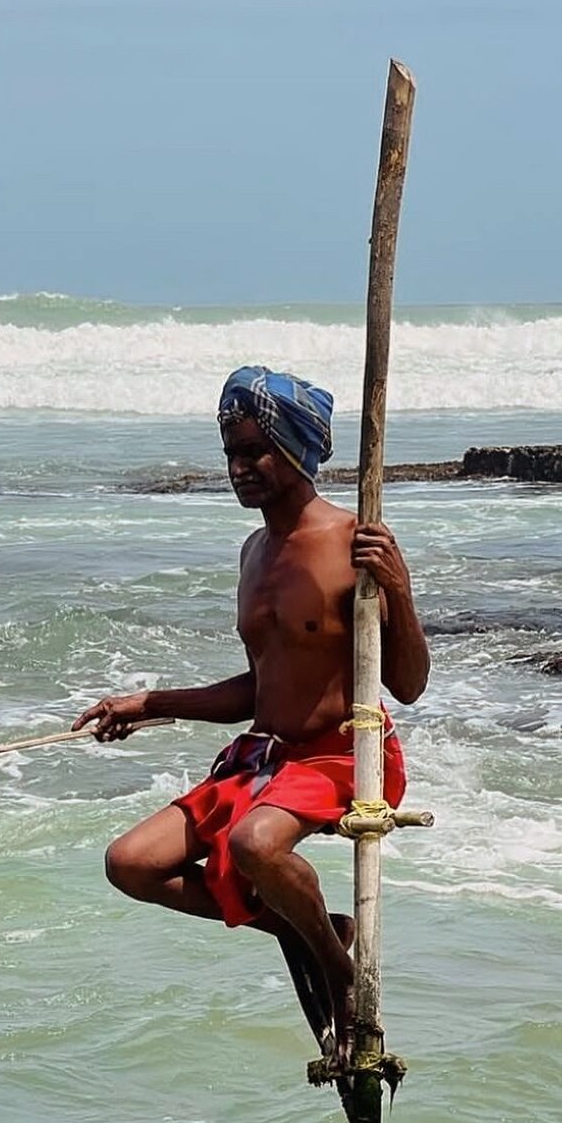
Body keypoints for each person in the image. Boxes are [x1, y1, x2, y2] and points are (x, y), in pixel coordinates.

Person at [74, 365, 429, 1069]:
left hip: (343, 753)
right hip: (268, 758)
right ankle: (312, 928)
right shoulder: (254, 552)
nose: (238, 468)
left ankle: (338, 971)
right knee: (130, 864)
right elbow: (260, 691)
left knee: (254, 846)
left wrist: (399, 586)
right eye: (231, 454)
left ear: (295, 449)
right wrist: (150, 704)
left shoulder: (354, 543)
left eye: (254, 452)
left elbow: (409, 684)